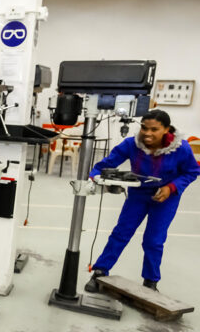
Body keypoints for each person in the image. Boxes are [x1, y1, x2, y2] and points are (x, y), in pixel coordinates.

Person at [84, 110, 199, 293]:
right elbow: (104, 166)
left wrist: (172, 188)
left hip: (165, 199)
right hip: (138, 195)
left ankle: (150, 282)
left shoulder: (181, 149)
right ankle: (100, 271)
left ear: (166, 130)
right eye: (144, 128)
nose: (147, 133)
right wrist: (95, 178)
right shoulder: (131, 144)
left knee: (153, 240)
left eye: (154, 129)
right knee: (121, 233)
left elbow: (192, 172)